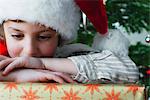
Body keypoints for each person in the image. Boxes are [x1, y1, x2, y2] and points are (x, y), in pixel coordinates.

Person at [0, 0, 139, 83]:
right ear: (3, 34)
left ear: (60, 36)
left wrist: (42, 64)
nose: (29, 50)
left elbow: (130, 72)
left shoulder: (71, 54)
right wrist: (15, 76)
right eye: (17, 36)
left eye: (43, 37)